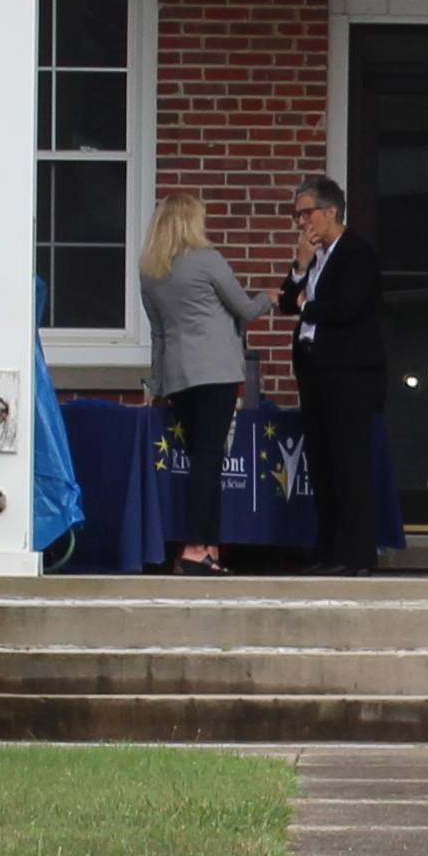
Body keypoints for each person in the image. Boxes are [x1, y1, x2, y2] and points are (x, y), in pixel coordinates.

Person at [134, 191, 267, 575]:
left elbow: (158, 334)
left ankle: (208, 547)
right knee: (210, 458)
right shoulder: (207, 261)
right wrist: (268, 298)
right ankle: (195, 547)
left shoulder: (150, 270)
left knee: (202, 458)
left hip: (178, 376)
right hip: (216, 372)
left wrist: (158, 384)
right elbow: (245, 308)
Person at [282, 174, 390, 576]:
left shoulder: (356, 253)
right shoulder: (314, 256)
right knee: (322, 464)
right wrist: (300, 268)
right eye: (296, 216)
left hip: (349, 373)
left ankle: (356, 555)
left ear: (330, 211)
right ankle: (328, 550)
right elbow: (286, 304)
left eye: (306, 214)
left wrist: (307, 304)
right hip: (314, 371)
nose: (301, 223)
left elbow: (344, 308)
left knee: (350, 464)